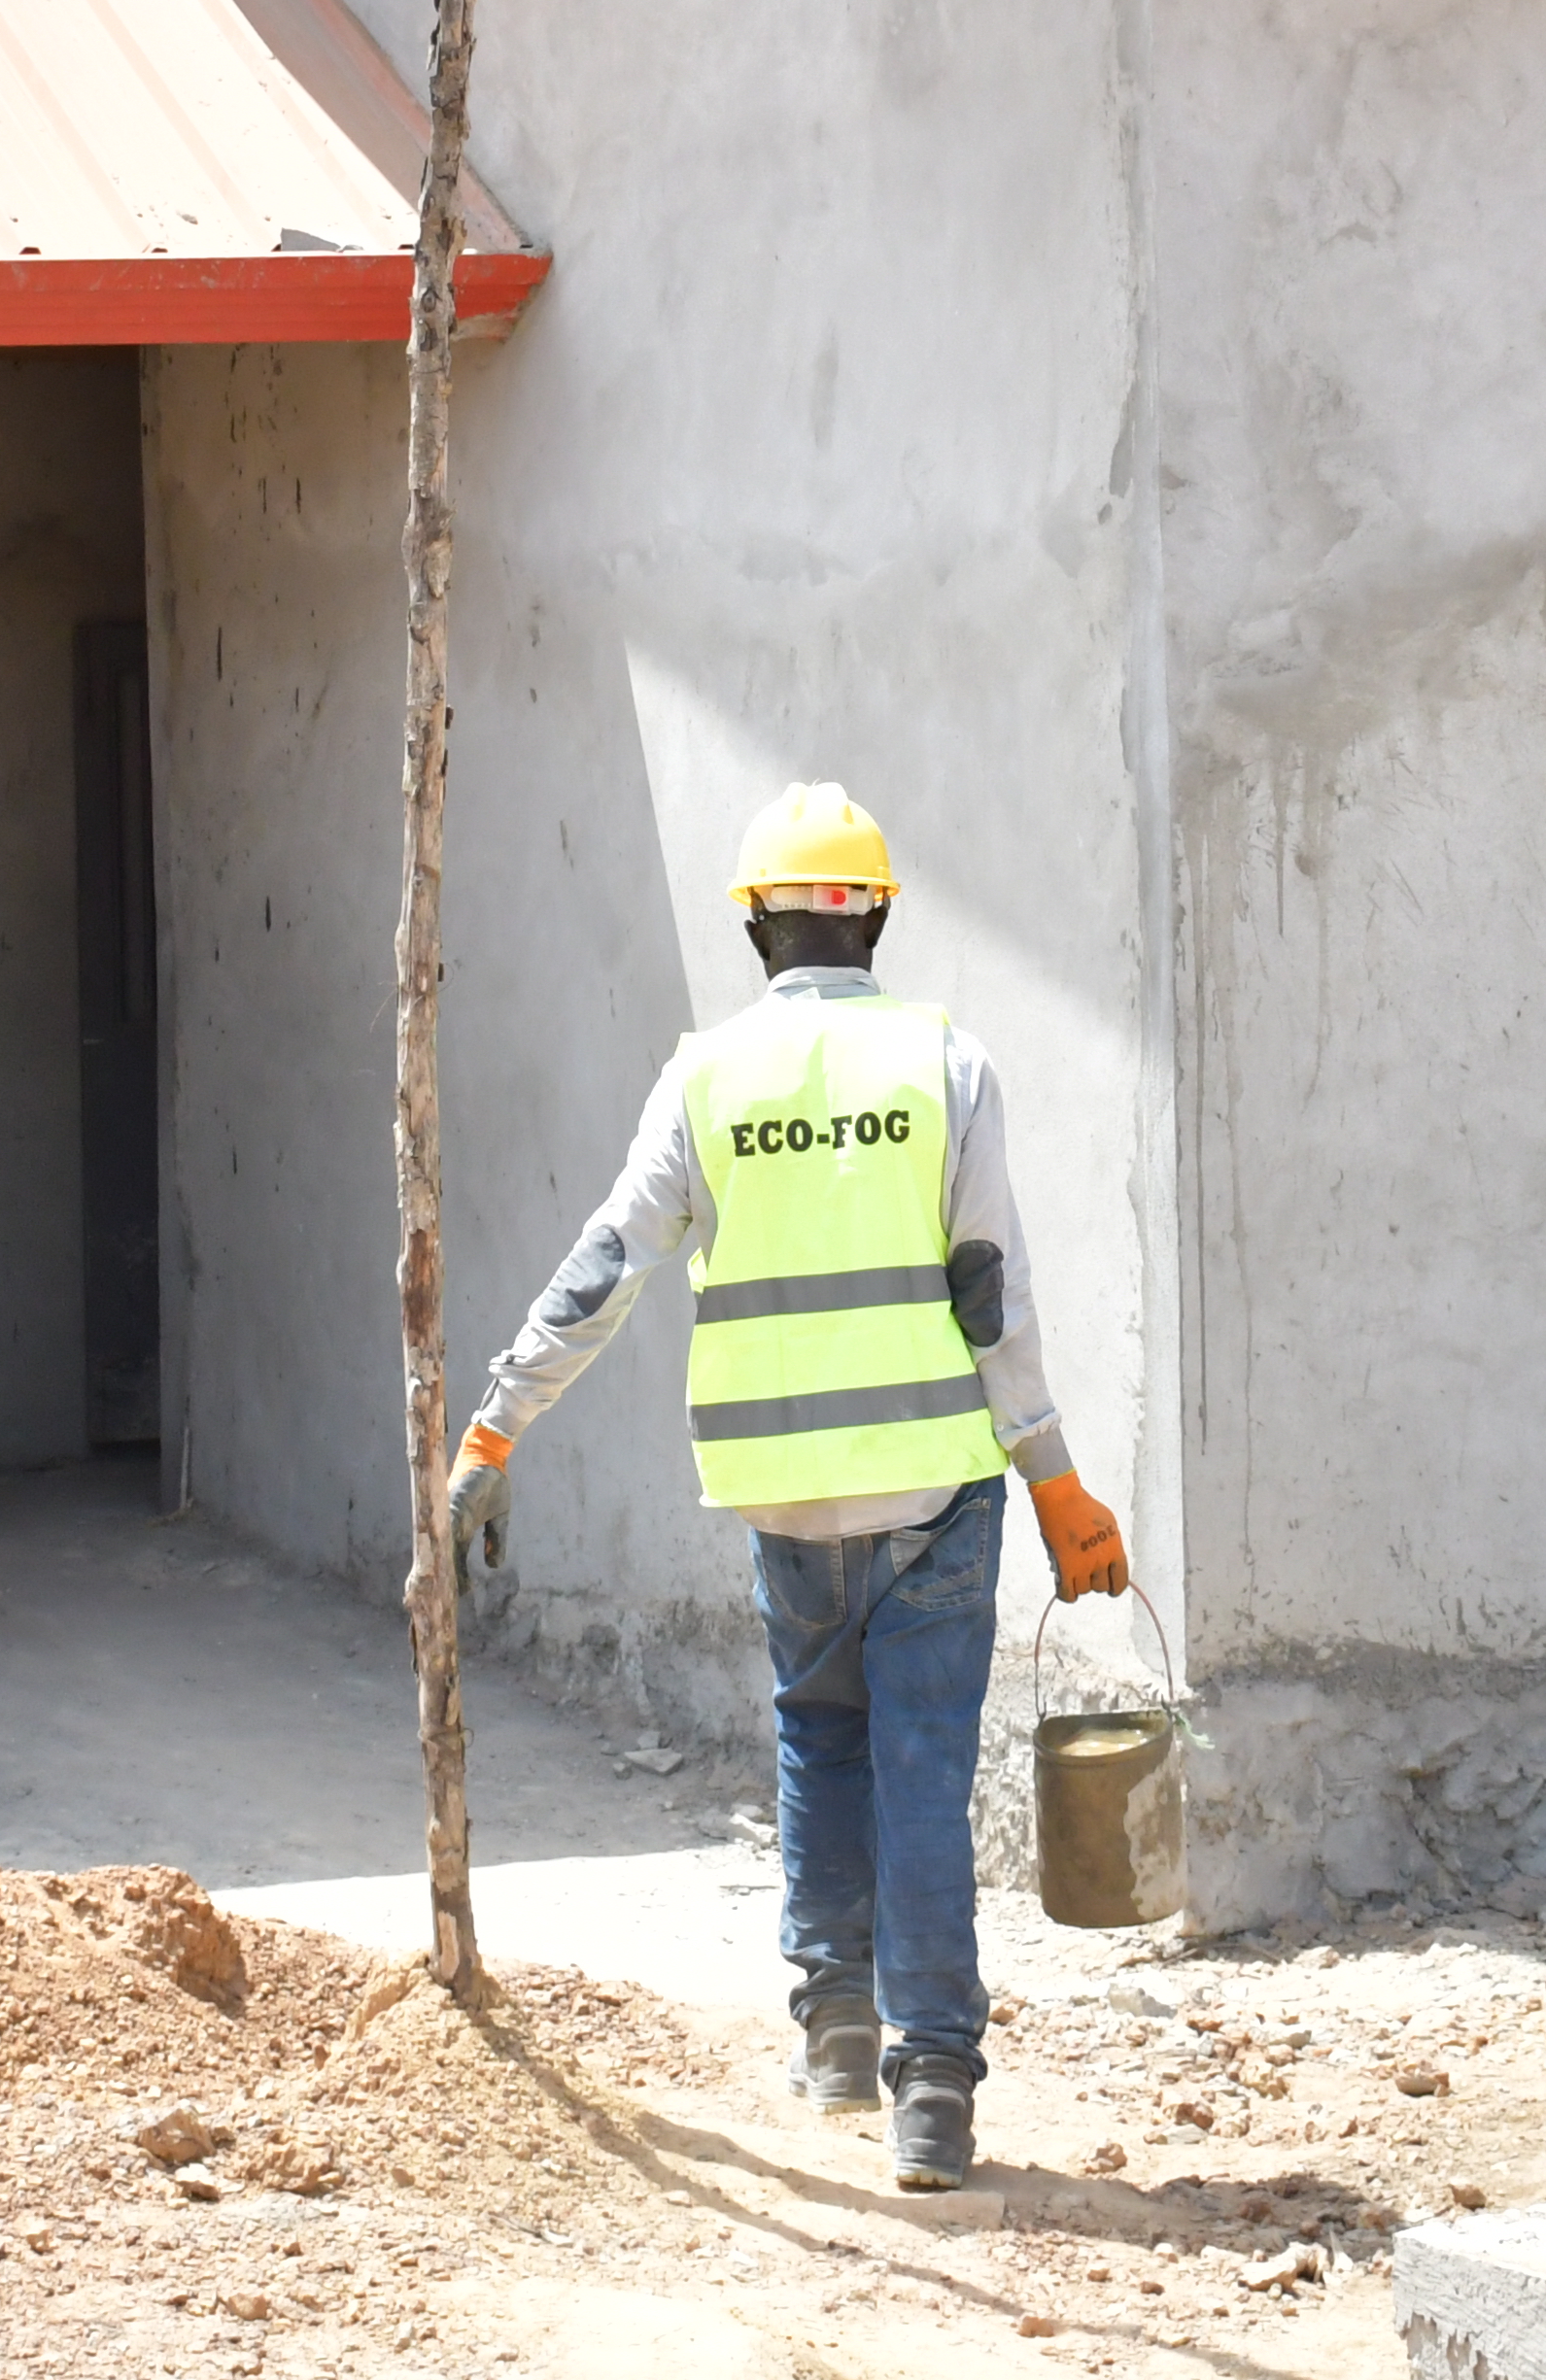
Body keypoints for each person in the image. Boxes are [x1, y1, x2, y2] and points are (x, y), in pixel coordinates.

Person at [445, 782, 1124, 2191]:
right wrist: (1056, 1480)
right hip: (935, 1485)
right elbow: (989, 1296)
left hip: (783, 1495)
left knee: (819, 1740)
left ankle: (832, 2028)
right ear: (876, 911)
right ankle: (931, 2089)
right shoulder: (948, 1065)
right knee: (921, 1769)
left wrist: (495, 1430)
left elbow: (603, 1271)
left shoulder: (705, 1079)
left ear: (755, 921)